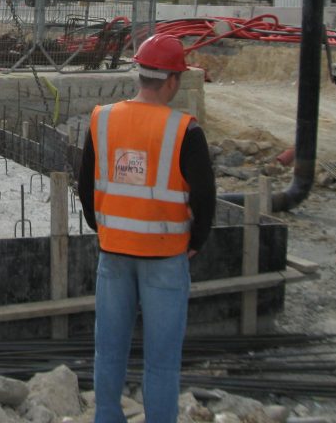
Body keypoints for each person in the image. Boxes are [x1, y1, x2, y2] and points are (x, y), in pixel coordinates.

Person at [78, 33, 216, 423]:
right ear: (172, 80)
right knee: (161, 360)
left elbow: (86, 187)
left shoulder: (102, 119)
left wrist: (106, 229)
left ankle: (107, 416)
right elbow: (204, 199)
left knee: (109, 350)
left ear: (140, 74)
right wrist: (196, 241)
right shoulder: (185, 130)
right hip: (166, 258)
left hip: (115, 254)